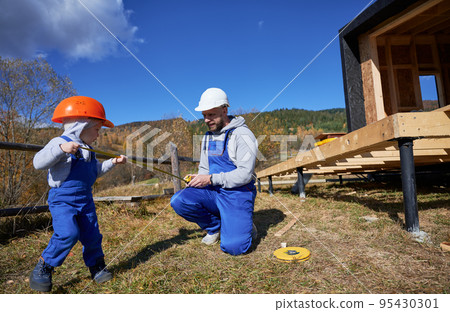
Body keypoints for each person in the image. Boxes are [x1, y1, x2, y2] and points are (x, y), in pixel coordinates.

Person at [29, 96, 127, 292]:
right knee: (68, 234)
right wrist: (60, 150)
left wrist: (112, 163)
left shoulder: (87, 149)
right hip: (63, 200)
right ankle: (43, 267)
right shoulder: (59, 142)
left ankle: (96, 266)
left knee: (92, 235)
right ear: (81, 125)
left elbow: (94, 172)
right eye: (97, 130)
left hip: (86, 200)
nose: (98, 135)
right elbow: (38, 162)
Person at [170, 88, 258, 256]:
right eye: (204, 115)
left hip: (237, 194)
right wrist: (198, 178)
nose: (206, 120)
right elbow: (204, 169)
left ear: (224, 110)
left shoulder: (242, 135)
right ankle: (214, 226)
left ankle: (242, 221)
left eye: (211, 114)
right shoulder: (208, 137)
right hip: (214, 191)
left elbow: (245, 175)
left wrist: (210, 179)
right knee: (179, 200)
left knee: (234, 248)